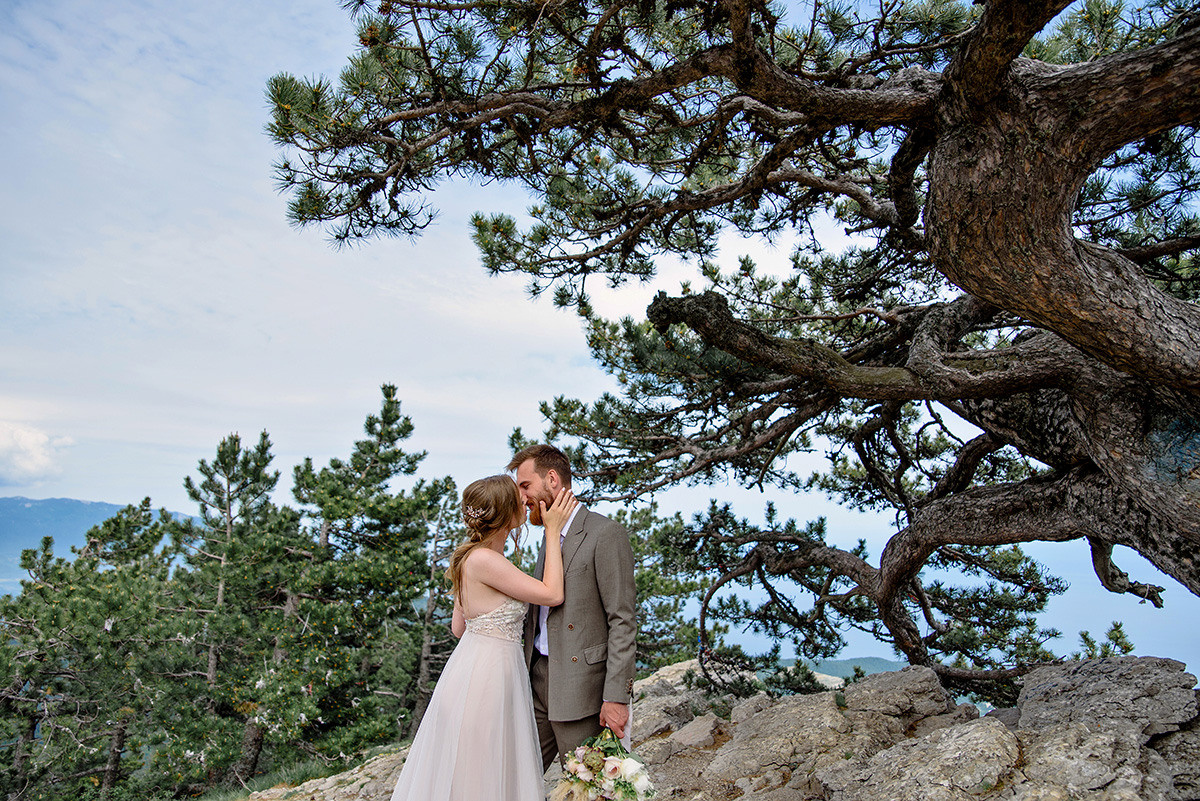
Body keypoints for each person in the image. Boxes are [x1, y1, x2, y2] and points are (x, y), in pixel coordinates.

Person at [389, 474, 577, 801]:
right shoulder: (486, 561)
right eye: (517, 499)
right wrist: (551, 530)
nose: (524, 501)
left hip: (468, 668)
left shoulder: (468, 559)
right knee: (483, 768)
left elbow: (458, 629)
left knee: (473, 766)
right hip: (490, 675)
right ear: (506, 515)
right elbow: (552, 593)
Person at [508, 444, 637, 773]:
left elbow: (622, 620)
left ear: (551, 479)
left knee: (593, 788)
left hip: (584, 691)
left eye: (525, 486)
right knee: (514, 779)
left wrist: (617, 697)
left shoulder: (605, 534)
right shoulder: (548, 535)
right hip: (537, 684)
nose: (522, 497)